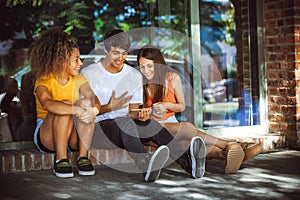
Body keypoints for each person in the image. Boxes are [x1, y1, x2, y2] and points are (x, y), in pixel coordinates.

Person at [81, 29, 206, 182]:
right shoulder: (90, 73)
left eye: (124, 53)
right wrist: (109, 107)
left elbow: (133, 111)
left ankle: (188, 162)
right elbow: (83, 114)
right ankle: (145, 163)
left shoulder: (133, 75)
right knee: (124, 121)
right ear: (106, 50)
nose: (120, 58)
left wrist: (140, 115)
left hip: (126, 128)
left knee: (149, 123)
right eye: (115, 53)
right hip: (99, 129)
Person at [137, 45, 262, 174]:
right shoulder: (139, 82)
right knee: (186, 128)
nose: (145, 71)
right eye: (142, 67)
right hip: (153, 128)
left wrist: (166, 105)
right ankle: (229, 144)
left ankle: (224, 154)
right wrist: (148, 112)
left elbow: (181, 106)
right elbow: (135, 112)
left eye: (149, 66)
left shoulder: (172, 78)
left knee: (188, 144)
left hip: (171, 122)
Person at [30, 28, 100, 178]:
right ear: (61, 60)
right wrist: (77, 109)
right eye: (76, 59)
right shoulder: (44, 80)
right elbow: (48, 104)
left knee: (87, 103)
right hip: (47, 137)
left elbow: (94, 100)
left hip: (71, 137)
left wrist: (93, 110)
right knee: (64, 106)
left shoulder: (79, 79)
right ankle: (61, 159)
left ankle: (83, 157)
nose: (80, 63)